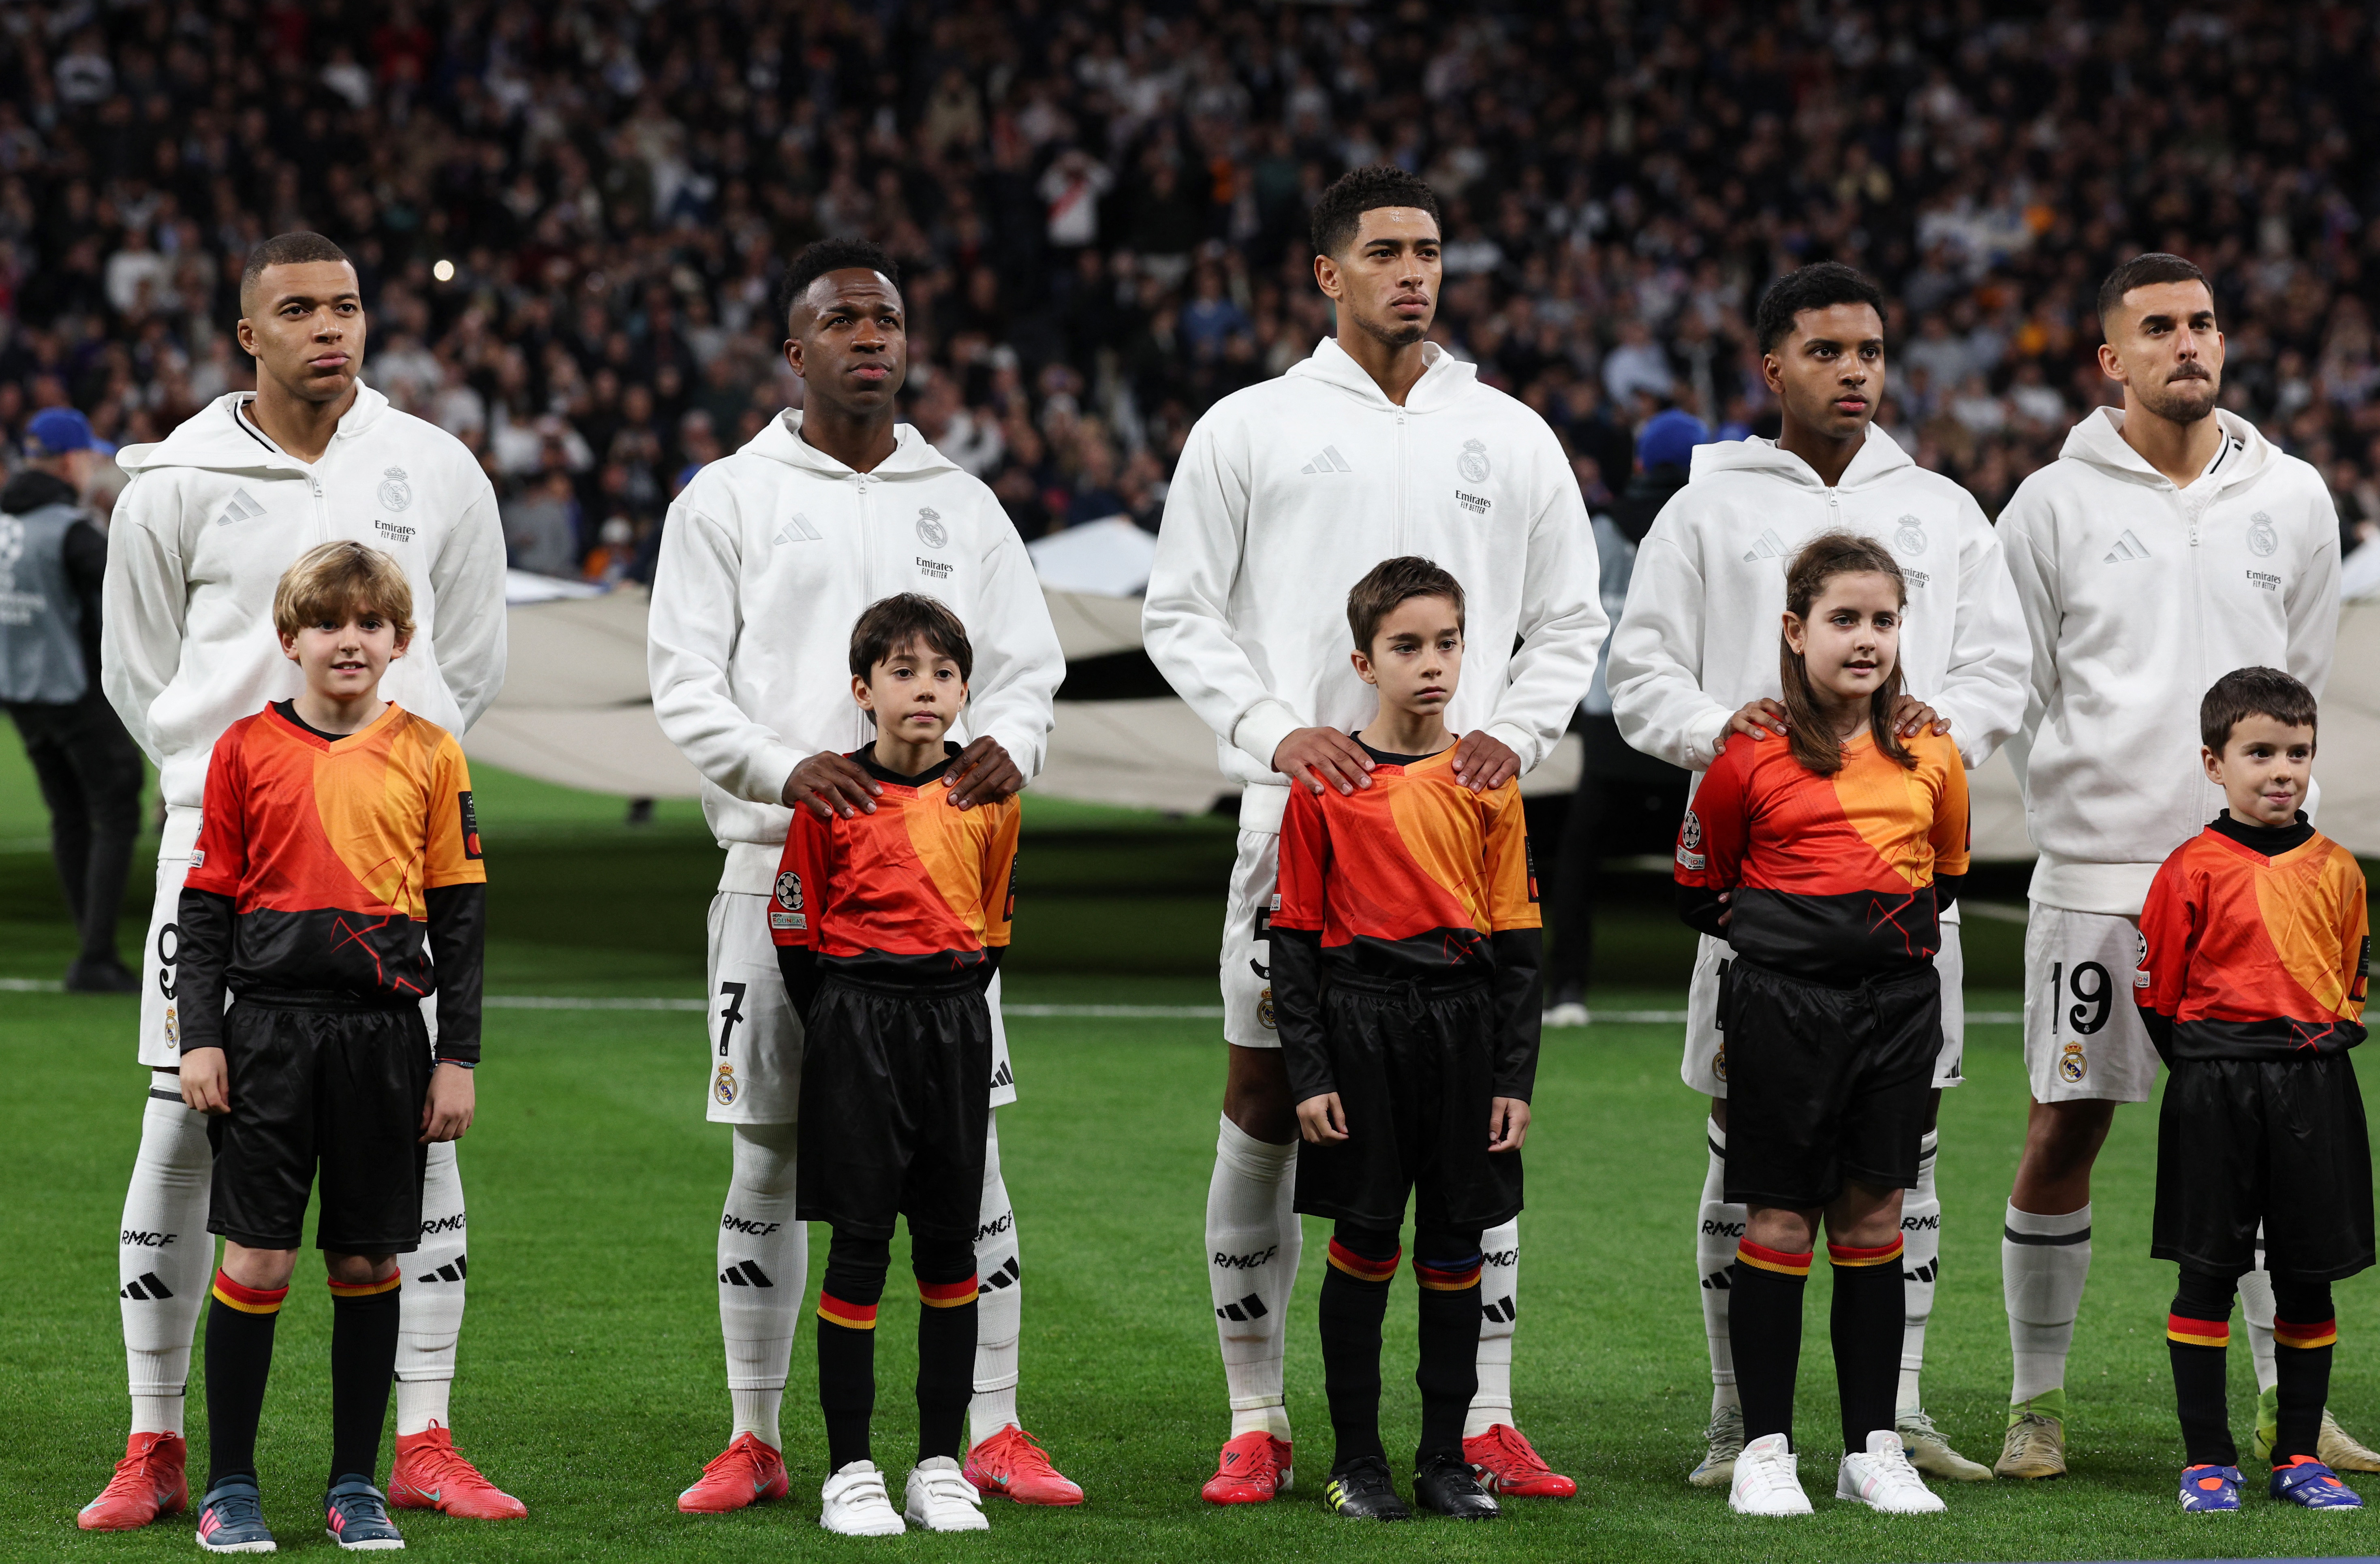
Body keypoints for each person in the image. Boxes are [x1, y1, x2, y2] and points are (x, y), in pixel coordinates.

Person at [1143, 165, 1603, 1504]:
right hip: (1304, 815)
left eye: (1430, 251)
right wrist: (1272, 726)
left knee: (1475, 1118)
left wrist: (1509, 736)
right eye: (1387, 251)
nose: (1415, 273)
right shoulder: (1250, 426)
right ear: (1323, 273)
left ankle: (1486, 1417)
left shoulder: (1509, 434)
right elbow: (1181, 612)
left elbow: (1571, 618)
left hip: (1465, 828)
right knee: (1262, 1097)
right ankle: (1257, 1414)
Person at [90, 231, 515, 1532]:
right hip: (225, 844)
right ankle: (157, 1443)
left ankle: (424, 1436)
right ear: (248, 336)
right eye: (298, 309)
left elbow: (471, 658)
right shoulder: (174, 477)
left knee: (416, 1149)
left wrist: (388, 778)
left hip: (388, 842)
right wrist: (212, 778)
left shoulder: (434, 466)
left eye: (345, 306)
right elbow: (138, 670)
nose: (330, 327)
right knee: (180, 1125)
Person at [648, 237, 1069, 1513]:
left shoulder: (965, 501)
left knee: (965, 1160)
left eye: (886, 317)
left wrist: (1017, 745)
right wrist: (785, 769)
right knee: (769, 1157)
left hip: (936, 885)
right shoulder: (727, 496)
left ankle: (986, 1428)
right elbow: (683, 681)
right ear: (796, 351)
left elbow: (1029, 670)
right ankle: (756, 1434)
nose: (869, 336)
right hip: (776, 869)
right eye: (841, 320)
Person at [1606, 262, 2027, 1487]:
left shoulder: (1944, 507)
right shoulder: (1703, 509)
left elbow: (2003, 670)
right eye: (1828, 350)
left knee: (1909, 1153)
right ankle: (1742, 1417)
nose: (1855, 372)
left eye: (1872, 351)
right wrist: (1725, 735)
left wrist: (1939, 737)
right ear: (1770, 367)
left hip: (1900, 888)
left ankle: (1890, 1414)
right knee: (1748, 1147)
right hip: (1766, 892)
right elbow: (1640, 678)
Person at [1993, 252, 2363, 1480]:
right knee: (2065, 1123)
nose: (2187, 344)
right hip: (2101, 873)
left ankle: (2289, 1410)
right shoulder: (2051, 502)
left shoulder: (2295, 494)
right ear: (2112, 358)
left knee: (2279, 1135)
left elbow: (2288, 674)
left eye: (2201, 323)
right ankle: (2034, 1403)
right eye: (2157, 328)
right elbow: (2029, 672)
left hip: (2259, 879)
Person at [175, 542, 485, 1553]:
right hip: (264, 1034)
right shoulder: (242, 749)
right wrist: (201, 1036)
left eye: (369, 624)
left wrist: (458, 1055)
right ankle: (230, 1485)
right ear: (290, 637)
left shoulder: (434, 752)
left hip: (385, 1038)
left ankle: (357, 1483)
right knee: (259, 1258)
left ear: (400, 641)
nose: (348, 639)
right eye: (327, 623)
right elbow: (208, 906)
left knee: (364, 1254)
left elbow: (462, 919)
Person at [1674, 531, 1963, 1517]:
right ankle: (1763, 1449)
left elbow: (1950, 874)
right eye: (1845, 619)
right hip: (1780, 1009)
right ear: (1796, 632)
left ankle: (1872, 1448)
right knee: (1780, 1218)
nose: (1868, 639)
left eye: (1885, 620)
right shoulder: (1746, 753)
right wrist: (1800, 942)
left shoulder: (1933, 746)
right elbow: (1700, 886)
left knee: (1876, 1216)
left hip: (1896, 1010)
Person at [1274, 558, 1539, 1522]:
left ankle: (1443, 1460)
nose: (1432, 663)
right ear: (1364, 661)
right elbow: (1294, 941)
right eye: (1407, 646)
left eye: (1448, 642)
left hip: (1465, 1033)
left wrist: (1515, 1074)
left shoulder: (1487, 778)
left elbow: (1517, 945)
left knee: (1457, 1246)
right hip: (1361, 1027)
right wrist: (1310, 1070)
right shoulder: (1326, 785)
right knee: (1365, 1238)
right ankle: (1357, 1461)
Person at [770, 594, 1021, 1536]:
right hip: (856, 1027)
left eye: (944, 674)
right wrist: (847, 1018)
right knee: (861, 1248)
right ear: (862, 690)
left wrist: (940, 1001)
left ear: (964, 689)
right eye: (904, 672)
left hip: (954, 1024)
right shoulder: (833, 795)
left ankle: (940, 1464)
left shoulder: (990, 796)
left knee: (953, 1250)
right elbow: (795, 926)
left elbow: (994, 925)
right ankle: (850, 1468)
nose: (926, 690)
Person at [2139, 667, 2369, 1513]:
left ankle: (2300, 1455)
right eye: (2261, 751)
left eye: (2299, 752)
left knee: (2309, 1279)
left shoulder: (2339, 869)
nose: (2283, 769)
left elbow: (2351, 980)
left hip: (2316, 1089)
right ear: (2215, 763)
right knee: (2207, 1275)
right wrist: (2216, 1062)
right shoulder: (2190, 867)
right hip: (2214, 1088)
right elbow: (2158, 994)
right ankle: (2208, 1460)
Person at [1544, 408, 1704, 1022]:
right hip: (1685, 723)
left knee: (1579, 863)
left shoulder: (1599, 528)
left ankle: (1567, 991)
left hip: (1610, 722)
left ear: (1640, 462)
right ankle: (1732, 991)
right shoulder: (1703, 525)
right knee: (1728, 860)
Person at [1, 406, 143, 992]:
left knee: (67, 811)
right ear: (68, 460)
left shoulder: (7, 522)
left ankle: (92, 943)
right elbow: (127, 599)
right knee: (116, 803)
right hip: (73, 689)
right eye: (90, 456)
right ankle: (96, 954)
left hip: (19, 693)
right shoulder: (71, 529)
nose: (94, 467)